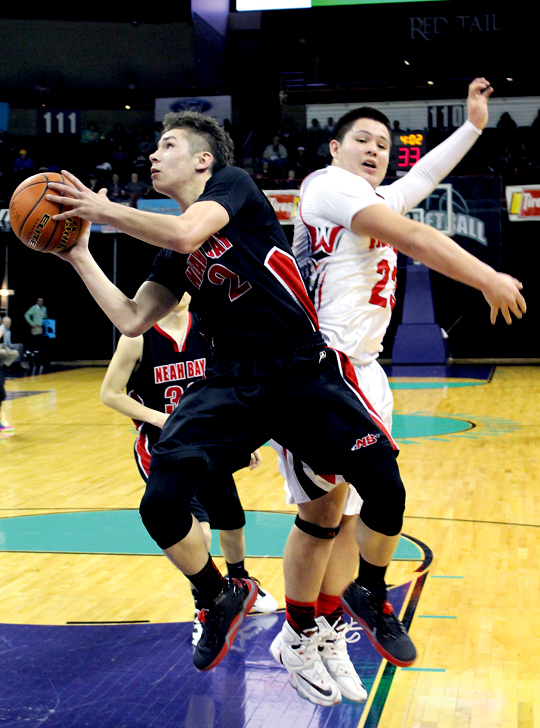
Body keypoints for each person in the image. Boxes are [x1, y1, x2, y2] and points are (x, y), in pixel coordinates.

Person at [45, 110, 524, 693]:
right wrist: (79, 255)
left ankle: (367, 590)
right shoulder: (173, 246)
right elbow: (129, 317)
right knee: (160, 505)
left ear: (202, 159)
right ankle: (217, 595)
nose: (152, 155)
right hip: (232, 382)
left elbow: (186, 231)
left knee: (384, 485)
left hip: (300, 368)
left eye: (165, 144)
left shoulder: (234, 187)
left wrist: (103, 209)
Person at [268, 78, 527, 703]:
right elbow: (413, 236)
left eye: (384, 144)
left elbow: (424, 177)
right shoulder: (326, 187)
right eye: (362, 139)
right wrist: (486, 274)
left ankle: (328, 627)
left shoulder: (375, 194)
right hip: (320, 369)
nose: (375, 149)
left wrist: (471, 126)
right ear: (335, 148)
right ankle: (298, 631)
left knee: (348, 511)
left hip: (367, 369)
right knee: (324, 512)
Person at [100, 293, 278, 645]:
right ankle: (207, 604)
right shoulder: (138, 336)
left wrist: (242, 437)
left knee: (231, 520)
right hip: (164, 449)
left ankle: (241, 586)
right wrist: (162, 419)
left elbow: (229, 383)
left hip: (208, 440)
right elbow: (110, 393)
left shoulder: (209, 328)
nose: (179, 292)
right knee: (200, 532)